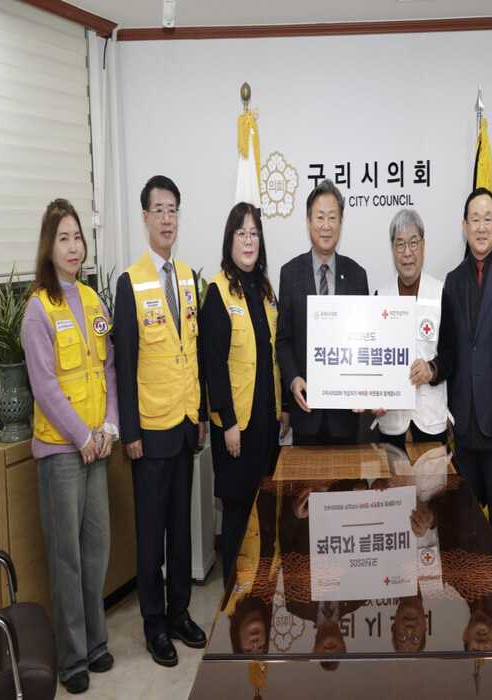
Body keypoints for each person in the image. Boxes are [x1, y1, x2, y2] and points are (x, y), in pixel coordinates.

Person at [21, 199, 118, 694]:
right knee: (67, 558)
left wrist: (110, 427)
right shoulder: (38, 308)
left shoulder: (94, 301)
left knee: (96, 550)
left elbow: (108, 369)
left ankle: (96, 643)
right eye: (64, 238)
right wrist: (82, 436)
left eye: (78, 236)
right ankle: (72, 657)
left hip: (97, 447)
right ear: (49, 246)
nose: (73, 246)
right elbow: (44, 386)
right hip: (62, 451)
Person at [113, 175, 207, 667]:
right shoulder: (130, 282)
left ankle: (179, 613)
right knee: (151, 538)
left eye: (173, 210)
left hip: (185, 425)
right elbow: (124, 363)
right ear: (145, 218)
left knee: (181, 530)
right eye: (159, 210)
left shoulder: (188, 278)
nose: (167, 219)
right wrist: (129, 431)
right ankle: (154, 625)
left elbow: (193, 351)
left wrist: (202, 415)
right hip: (149, 433)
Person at [201, 202, 289, 585]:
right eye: (241, 233)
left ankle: (261, 593)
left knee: (266, 508)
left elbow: (273, 354)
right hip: (237, 427)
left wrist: (284, 407)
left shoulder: (266, 290)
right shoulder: (218, 291)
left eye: (254, 233)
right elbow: (213, 364)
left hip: (267, 422)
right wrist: (228, 423)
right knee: (238, 513)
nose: (249, 241)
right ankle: (234, 600)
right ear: (230, 240)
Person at [438, 187, 492, 558]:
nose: (480, 227)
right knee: (465, 512)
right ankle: (468, 585)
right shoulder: (452, 280)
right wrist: (444, 408)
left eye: (487, 218)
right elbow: (448, 350)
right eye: (474, 219)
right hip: (463, 418)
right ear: (464, 226)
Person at [276, 179, 369, 445]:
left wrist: (364, 388)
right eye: (319, 217)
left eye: (332, 217)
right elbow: (283, 340)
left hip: (346, 415)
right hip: (306, 413)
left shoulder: (357, 275)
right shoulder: (290, 273)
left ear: (341, 223)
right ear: (308, 221)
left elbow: (364, 341)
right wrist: (293, 379)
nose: (326, 225)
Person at [375, 209, 452, 448]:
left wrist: (432, 369)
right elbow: (373, 360)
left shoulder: (440, 294)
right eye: (400, 244)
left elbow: (451, 354)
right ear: (392, 249)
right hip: (391, 422)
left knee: (433, 476)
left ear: (423, 245)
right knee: (390, 474)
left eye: (413, 242)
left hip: (430, 421)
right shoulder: (380, 296)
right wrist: (373, 394)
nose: (407, 252)